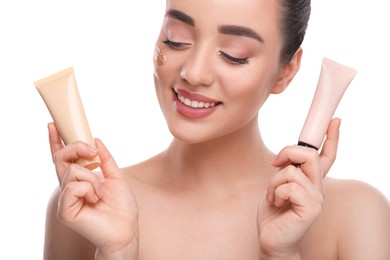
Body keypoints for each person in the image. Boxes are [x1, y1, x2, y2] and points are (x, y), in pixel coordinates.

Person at [43, 0, 390, 259]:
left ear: (286, 72)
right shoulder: (86, 206)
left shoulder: (354, 214)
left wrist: (282, 254)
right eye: (176, 39)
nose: (194, 72)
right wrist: (118, 251)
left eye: (234, 55)